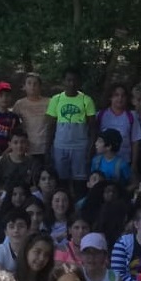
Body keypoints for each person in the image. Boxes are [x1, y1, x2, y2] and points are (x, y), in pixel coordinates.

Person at [46, 68, 98, 197]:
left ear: (79, 82)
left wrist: (91, 147)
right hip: (60, 146)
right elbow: (51, 126)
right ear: (63, 81)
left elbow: (93, 127)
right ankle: (62, 202)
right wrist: (47, 148)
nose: (72, 84)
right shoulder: (56, 99)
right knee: (61, 179)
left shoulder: (86, 100)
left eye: (75, 80)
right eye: (68, 80)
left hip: (80, 147)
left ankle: (79, 204)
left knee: (80, 179)